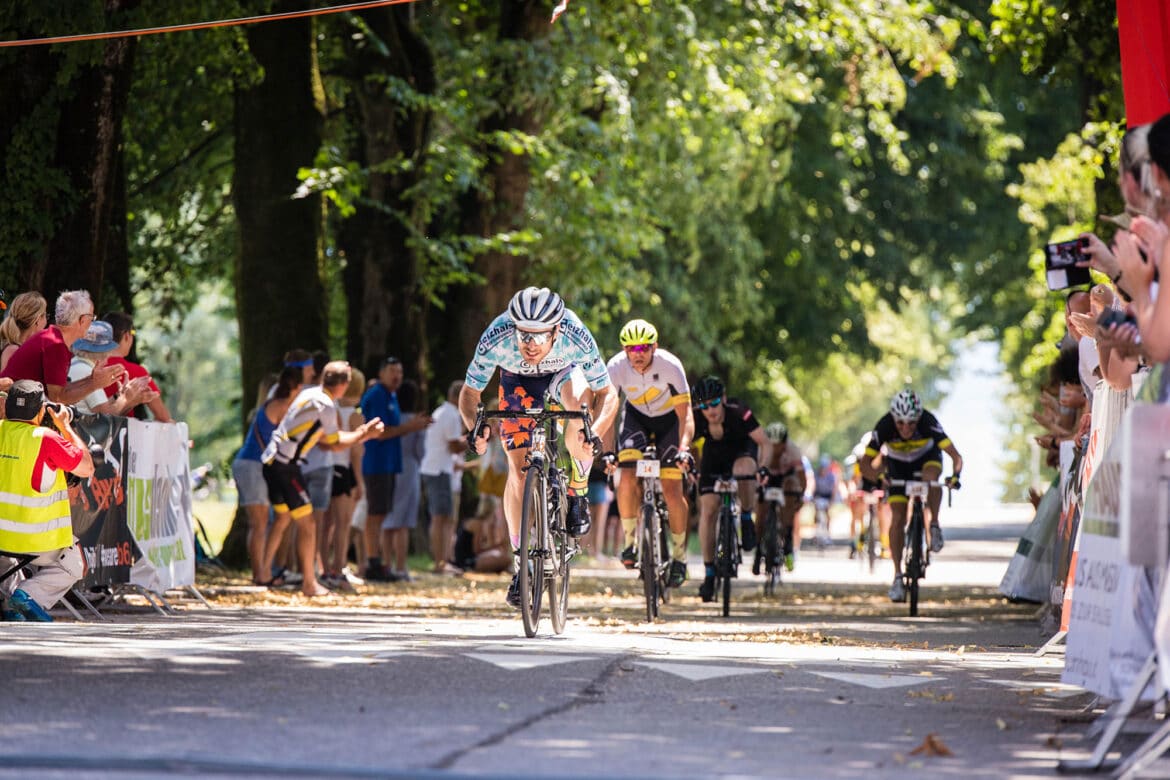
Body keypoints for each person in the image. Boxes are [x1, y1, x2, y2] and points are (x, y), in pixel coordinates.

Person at [461, 286, 618, 608]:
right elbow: (469, 393)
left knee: (579, 408)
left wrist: (595, 432)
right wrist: (474, 429)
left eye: (539, 336)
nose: (529, 344)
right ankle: (521, 563)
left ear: (557, 330)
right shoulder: (496, 335)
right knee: (519, 473)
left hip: (564, 375)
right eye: (523, 335)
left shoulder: (575, 333)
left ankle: (577, 490)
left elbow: (608, 393)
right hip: (516, 381)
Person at [261, 361, 384, 597]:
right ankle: (309, 583)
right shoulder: (326, 405)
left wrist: (359, 434)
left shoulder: (310, 393)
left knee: (282, 518)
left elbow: (327, 439)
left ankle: (264, 573)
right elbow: (335, 444)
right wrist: (364, 434)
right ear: (345, 385)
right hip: (287, 465)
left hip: (272, 459)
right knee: (308, 525)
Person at [605, 318, 694, 588]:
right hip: (636, 419)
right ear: (624, 349)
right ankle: (630, 542)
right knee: (627, 476)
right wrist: (609, 453)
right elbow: (608, 414)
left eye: (644, 347)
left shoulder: (670, 365)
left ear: (654, 347)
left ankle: (679, 557)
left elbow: (685, 415)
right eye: (632, 348)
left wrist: (684, 449)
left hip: (669, 422)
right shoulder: (615, 368)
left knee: (671, 489)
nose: (638, 354)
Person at [0, 380, 93, 621]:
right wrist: (65, 427)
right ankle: (24, 597)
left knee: (7, 562)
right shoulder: (46, 438)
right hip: (36, 539)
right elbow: (86, 467)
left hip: (1, 539)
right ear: (42, 410)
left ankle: (9, 603)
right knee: (74, 564)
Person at [859, 389, 963, 603]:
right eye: (901, 423)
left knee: (931, 478)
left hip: (926, 460)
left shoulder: (928, 421)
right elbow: (865, 464)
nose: (906, 428)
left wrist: (955, 476)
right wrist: (879, 481)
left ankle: (934, 525)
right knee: (897, 519)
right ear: (894, 419)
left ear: (919, 419)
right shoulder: (885, 425)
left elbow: (955, 456)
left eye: (912, 423)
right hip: (898, 467)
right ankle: (897, 576)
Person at [690, 376, 771, 603]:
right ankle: (708, 573)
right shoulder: (697, 418)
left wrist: (763, 468)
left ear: (723, 399)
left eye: (714, 403)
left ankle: (746, 516)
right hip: (714, 457)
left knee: (744, 467)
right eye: (704, 406)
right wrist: (689, 467)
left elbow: (764, 442)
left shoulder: (739, 412)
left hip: (741, 452)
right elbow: (685, 444)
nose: (710, 410)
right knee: (708, 509)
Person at [360, 357, 431, 582]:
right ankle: (372, 562)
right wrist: (409, 427)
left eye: (399, 371)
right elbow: (379, 432)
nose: (396, 376)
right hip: (376, 462)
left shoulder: (391, 395)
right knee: (375, 513)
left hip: (390, 463)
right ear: (381, 373)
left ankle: (378, 562)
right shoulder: (378, 395)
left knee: (381, 514)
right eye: (392, 371)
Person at [232, 366, 303, 586]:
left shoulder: (276, 405)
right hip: (252, 465)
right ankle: (260, 574)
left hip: (258, 467)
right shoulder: (281, 407)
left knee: (275, 519)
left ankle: (265, 570)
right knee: (260, 523)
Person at [1, 290, 123, 405]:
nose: (92, 322)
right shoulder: (55, 344)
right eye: (92, 318)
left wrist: (91, 380)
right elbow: (58, 398)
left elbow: (61, 388)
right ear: (82, 320)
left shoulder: (51, 338)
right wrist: (94, 384)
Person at [320, 368, 365, 591]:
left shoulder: (331, 407)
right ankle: (338, 568)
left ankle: (323, 568)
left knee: (325, 524)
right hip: (344, 470)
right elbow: (356, 453)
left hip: (326, 467)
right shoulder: (355, 416)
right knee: (342, 524)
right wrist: (359, 481)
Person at [421, 380, 468, 575]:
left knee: (443, 517)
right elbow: (454, 446)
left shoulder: (442, 412)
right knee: (441, 518)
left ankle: (443, 559)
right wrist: (474, 438)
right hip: (439, 470)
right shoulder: (451, 415)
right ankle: (440, 562)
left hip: (435, 469)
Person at [67, 321, 158, 416]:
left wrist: (119, 396)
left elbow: (106, 410)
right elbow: (105, 417)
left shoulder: (77, 365)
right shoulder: (87, 371)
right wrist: (126, 398)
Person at [383, 379, 425, 581]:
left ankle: (385, 564)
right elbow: (420, 451)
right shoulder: (416, 423)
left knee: (388, 519)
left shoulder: (393, 418)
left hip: (390, 467)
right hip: (409, 468)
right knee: (403, 522)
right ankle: (400, 567)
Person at [100, 312, 174, 422]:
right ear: (126, 336)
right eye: (132, 332)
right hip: (121, 435)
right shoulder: (136, 372)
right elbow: (162, 416)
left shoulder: (91, 367)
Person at [754, 422, 806, 574]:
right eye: (772, 445)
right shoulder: (761, 451)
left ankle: (788, 543)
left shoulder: (793, 450)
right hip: (767, 477)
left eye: (779, 445)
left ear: (785, 443)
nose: (775, 449)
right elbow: (753, 477)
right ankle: (758, 551)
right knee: (761, 512)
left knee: (790, 491)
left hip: (786, 477)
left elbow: (802, 477)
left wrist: (800, 495)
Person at [0, 292, 48, 374]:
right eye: (46, 316)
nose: (46, 322)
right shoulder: (13, 351)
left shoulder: (20, 349)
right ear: (37, 320)